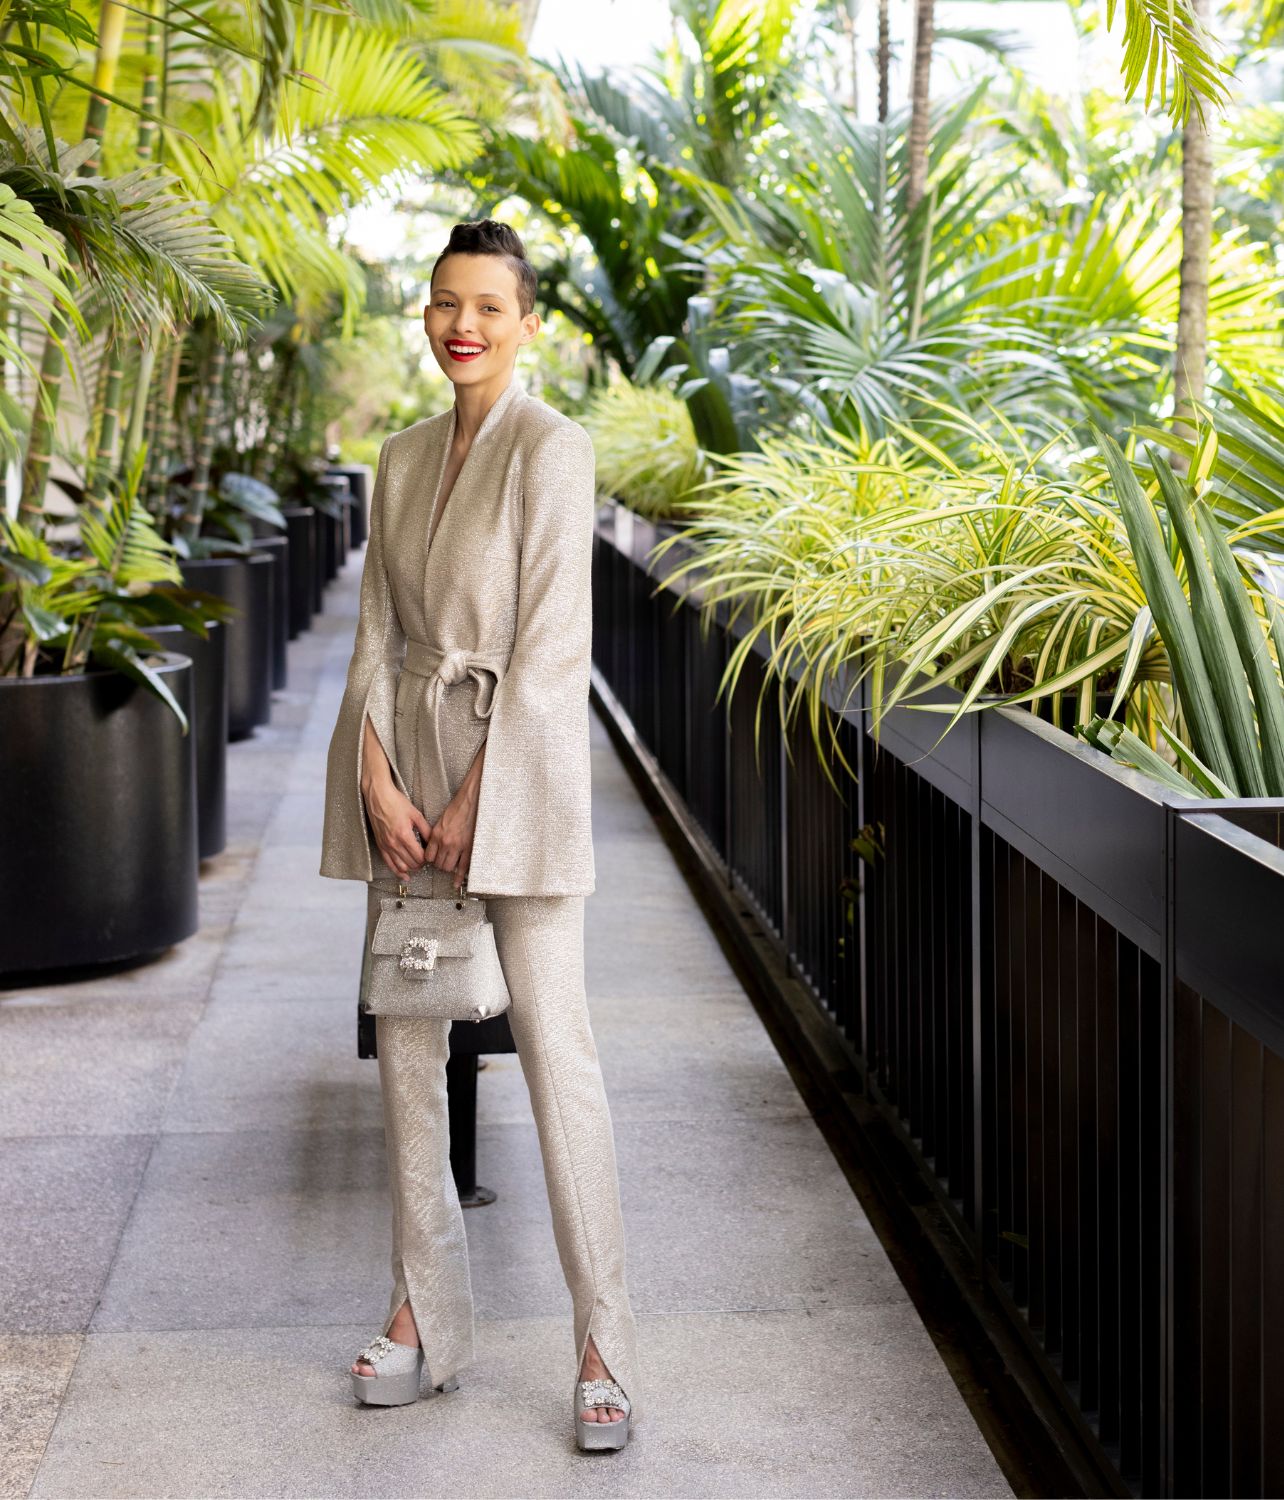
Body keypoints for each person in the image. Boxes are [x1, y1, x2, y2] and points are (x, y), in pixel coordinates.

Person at [318, 219, 641, 1450]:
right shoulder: (399, 457)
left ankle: (604, 1340)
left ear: (526, 323)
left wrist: (472, 800)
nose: (463, 324)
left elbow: (555, 648)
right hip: (408, 772)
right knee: (406, 1059)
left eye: (489, 308)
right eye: (446, 303)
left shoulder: (554, 449)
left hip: (518, 782)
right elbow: (370, 639)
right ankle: (421, 1318)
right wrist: (381, 782)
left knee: (561, 1056)